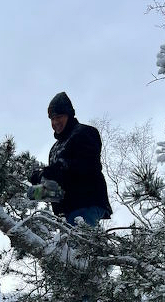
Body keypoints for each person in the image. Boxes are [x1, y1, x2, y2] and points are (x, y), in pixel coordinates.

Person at [29, 92, 112, 226]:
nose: (55, 122)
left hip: (86, 203)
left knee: (82, 239)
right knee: (30, 193)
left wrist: (58, 169)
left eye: (59, 117)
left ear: (69, 115)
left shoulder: (84, 132)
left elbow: (90, 166)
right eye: (52, 118)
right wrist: (39, 182)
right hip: (64, 213)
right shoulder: (54, 148)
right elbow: (59, 186)